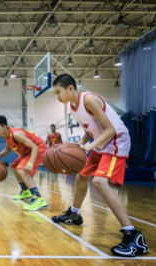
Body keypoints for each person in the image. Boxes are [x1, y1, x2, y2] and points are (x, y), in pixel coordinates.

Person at [51, 74, 148, 257]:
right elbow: (90, 129)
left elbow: (110, 130)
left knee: (99, 183)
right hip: (102, 143)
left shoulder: (88, 100)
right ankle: (74, 213)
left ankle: (133, 236)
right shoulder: (72, 106)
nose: (57, 97)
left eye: (58, 92)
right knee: (82, 178)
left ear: (70, 88)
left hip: (116, 141)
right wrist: (81, 143)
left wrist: (88, 147)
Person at [0, 115, 48, 211]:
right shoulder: (6, 136)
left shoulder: (16, 134)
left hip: (38, 149)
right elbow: (7, 149)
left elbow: (35, 147)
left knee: (21, 169)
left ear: (5, 127)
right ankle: (25, 191)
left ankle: (38, 199)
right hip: (28, 152)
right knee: (14, 166)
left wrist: (30, 163)